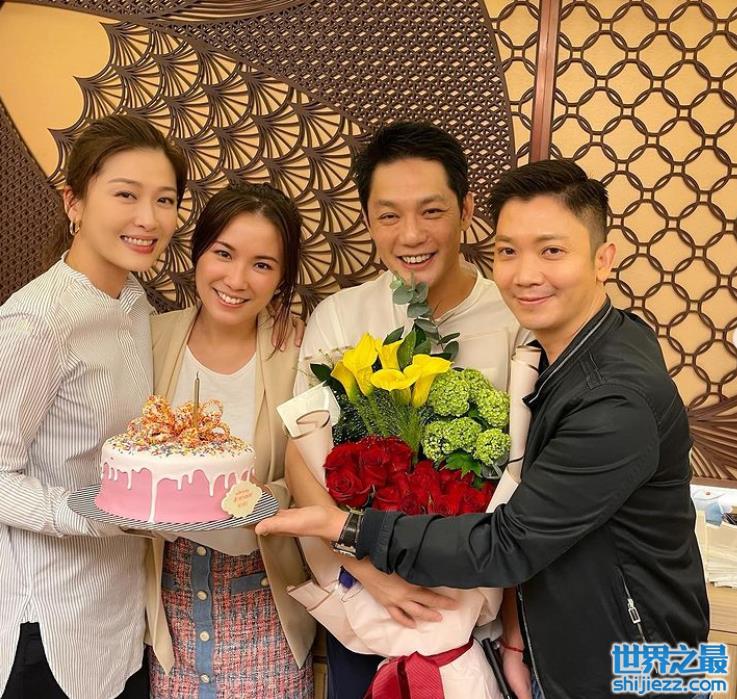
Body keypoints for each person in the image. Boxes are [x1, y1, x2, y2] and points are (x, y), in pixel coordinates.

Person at [258, 159, 711, 699]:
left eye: (552, 251)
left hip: (636, 666)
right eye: (508, 251)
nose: (526, 274)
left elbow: (508, 542)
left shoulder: (613, 398)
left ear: (603, 259)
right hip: (574, 643)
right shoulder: (589, 347)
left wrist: (351, 528)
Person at [287, 121, 531, 699]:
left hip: (477, 620)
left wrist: (515, 630)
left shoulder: (514, 317)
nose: (411, 234)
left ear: (466, 209)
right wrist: (371, 576)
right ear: (368, 220)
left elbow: (530, 482)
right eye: (389, 215)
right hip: (365, 613)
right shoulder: (341, 317)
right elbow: (301, 459)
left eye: (432, 211)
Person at [0, 114, 187, 699]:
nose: (149, 218)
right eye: (126, 195)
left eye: (165, 200)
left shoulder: (134, 300)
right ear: (73, 202)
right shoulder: (36, 320)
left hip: (121, 616)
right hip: (48, 623)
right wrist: (87, 512)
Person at [146, 183, 316, 698]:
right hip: (167, 609)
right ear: (198, 252)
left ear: (282, 277)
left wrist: (262, 499)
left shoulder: (299, 351)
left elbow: (314, 478)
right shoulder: (149, 338)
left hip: (267, 602)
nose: (236, 280)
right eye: (223, 253)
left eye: (262, 264)